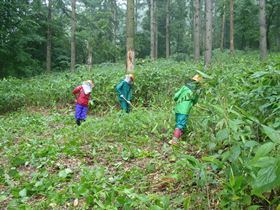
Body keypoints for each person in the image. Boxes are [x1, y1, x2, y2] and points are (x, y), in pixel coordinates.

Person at [169, 74, 203, 145]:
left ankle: (178, 140)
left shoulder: (184, 87)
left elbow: (176, 96)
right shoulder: (196, 90)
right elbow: (195, 101)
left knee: (180, 124)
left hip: (178, 108)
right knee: (180, 125)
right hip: (185, 110)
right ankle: (174, 141)